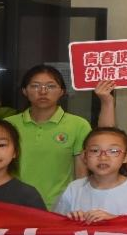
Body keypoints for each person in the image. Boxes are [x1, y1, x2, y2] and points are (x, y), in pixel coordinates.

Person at [10, 64, 93, 210]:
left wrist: (80, 205)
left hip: (61, 206)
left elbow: (82, 173)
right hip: (15, 205)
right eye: (35, 86)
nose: (43, 91)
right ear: (24, 91)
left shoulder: (78, 125)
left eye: (51, 86)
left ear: (62, 91)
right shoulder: (8, 125)